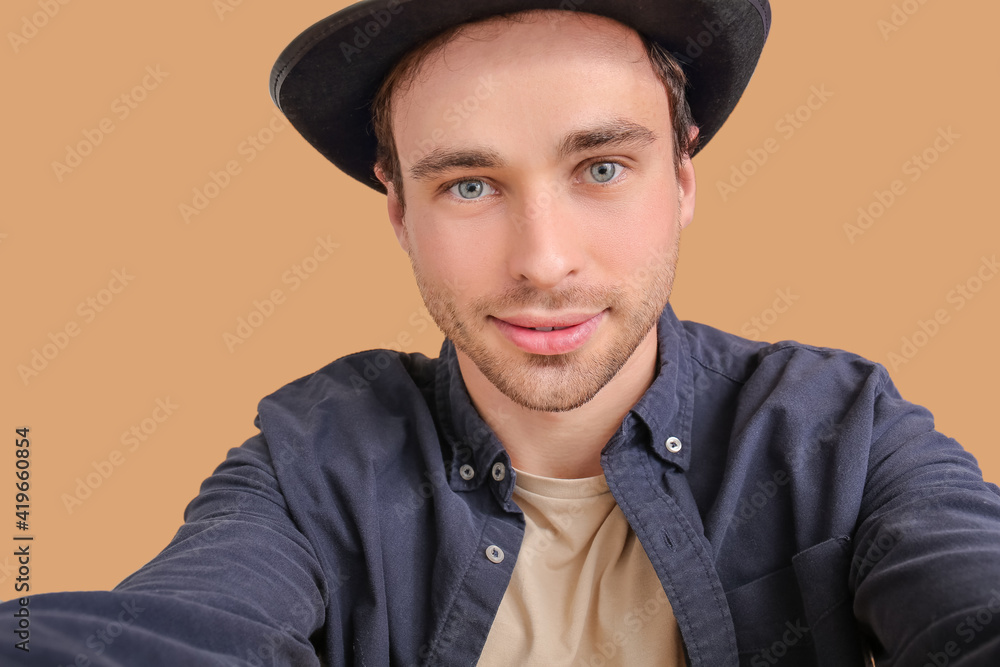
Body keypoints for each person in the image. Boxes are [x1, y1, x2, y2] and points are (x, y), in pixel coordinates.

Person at [4, 0, 1000, 665]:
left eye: (601, 166)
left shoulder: (843, 430)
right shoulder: (311, 462)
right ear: (398, 210)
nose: (542, 260)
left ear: (682, 180)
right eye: (470, 184)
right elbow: (172, 632)